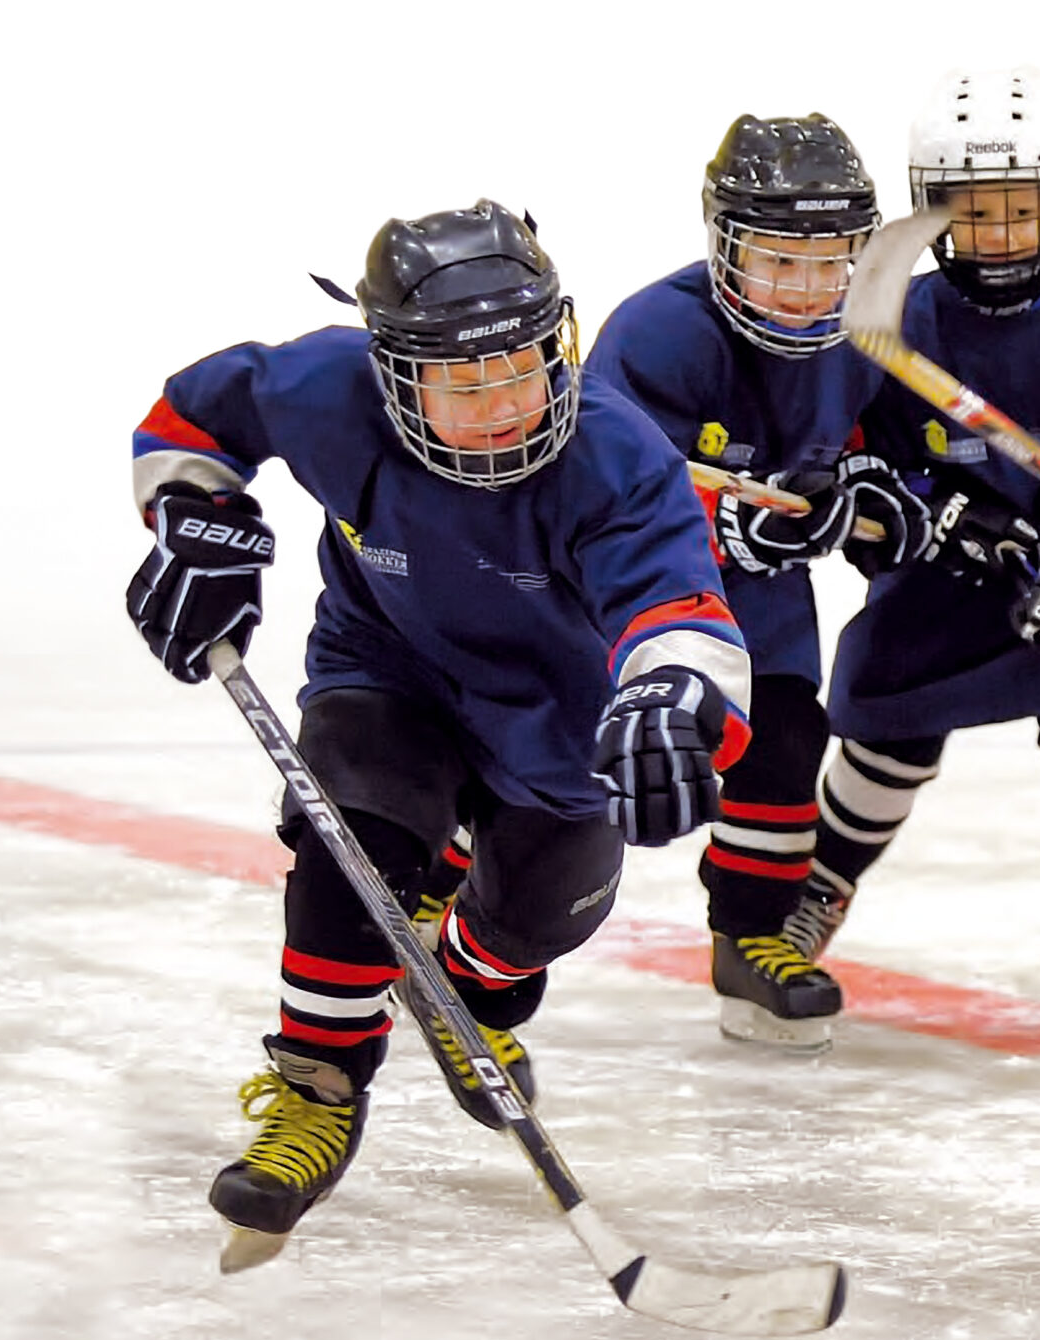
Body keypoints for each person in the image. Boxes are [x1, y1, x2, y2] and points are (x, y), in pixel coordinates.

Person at [126, 200, 752, 1259]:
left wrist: (670, 701)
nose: (506, 402)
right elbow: (192, 420)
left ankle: (462, 980)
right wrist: (197, 520)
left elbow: (681, 611)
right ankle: (318, 1086)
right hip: (391, 671)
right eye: (464, 383)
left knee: (523, 933)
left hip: (562, 726)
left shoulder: (617, 457)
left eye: (523, 364)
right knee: (349, 836)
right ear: (392, 373)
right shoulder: (326, 389)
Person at [803, 67, 1040, 1002]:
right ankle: (823, 882)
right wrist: (928, 520)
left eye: (1018, 211)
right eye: (974, 213)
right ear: (932, 213)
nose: (997, 235)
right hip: (940, 578)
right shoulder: (896, 324)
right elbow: (857, 462)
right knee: (886, 737)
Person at [586, 114, 927, 1052]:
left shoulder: (861, 336)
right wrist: (720, 525)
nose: (809, 288)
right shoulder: (658, 331)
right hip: (624, 598)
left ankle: (752, 939)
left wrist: (870, 497)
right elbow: (598, 480)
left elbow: (863, 446)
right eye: (781, 260)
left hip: (760, 601)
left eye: (833, 262)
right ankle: (442, 878)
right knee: (552, 750)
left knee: (784, 739)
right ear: (725, 245)